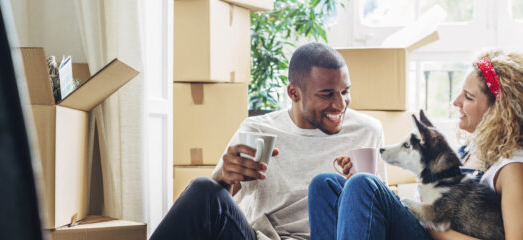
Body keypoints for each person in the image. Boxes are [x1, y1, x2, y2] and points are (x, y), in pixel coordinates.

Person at [150, 42, 388, 240]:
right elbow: (221, 199)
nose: (340, 104)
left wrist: (357, 186)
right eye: (327, 94)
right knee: (203, 188)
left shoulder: (367, 131)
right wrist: (225, 178)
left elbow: (379, 214)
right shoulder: (259, 130)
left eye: (345, 91)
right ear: (294, 93)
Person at [308, 49, 523, 240]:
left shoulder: (512, 166)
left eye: (468, 97)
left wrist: (432, 225)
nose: (456, 102)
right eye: (461, 93)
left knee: (364, 185)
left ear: (498, 111)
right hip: (424, 228)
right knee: (325, 184)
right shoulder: (470, 151)